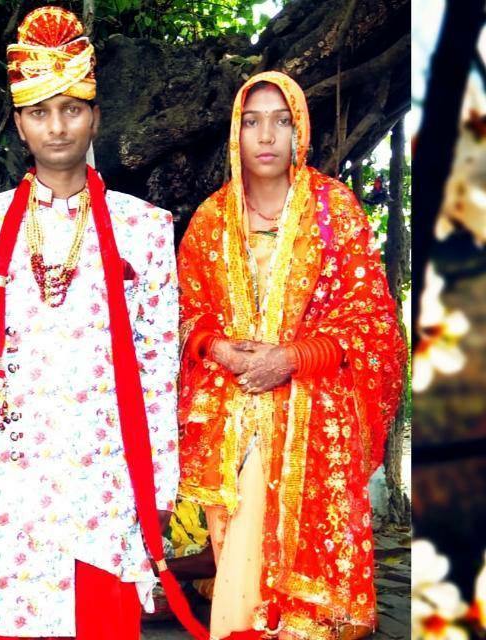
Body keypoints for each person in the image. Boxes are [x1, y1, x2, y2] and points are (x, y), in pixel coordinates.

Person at [0, 6, 206, 640]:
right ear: (19, 125)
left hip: (105, 481)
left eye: (71, 109)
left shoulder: (144, 228)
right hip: (11, 477)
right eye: (39, 112)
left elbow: (159, 368)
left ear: (96, 117)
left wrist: (159, 487)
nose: (57, 127)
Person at [177, 71, 406, 640]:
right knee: (239, 537)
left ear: (299, 130)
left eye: (280, 121)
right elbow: (182, 313)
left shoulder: (335, 210)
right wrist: (218, 348)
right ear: (236, 132)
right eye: (252, 122)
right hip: (230, 402)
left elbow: (372, 324)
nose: (266, 136)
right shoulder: (211, 219)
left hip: (313, 400)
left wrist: (292, 359)